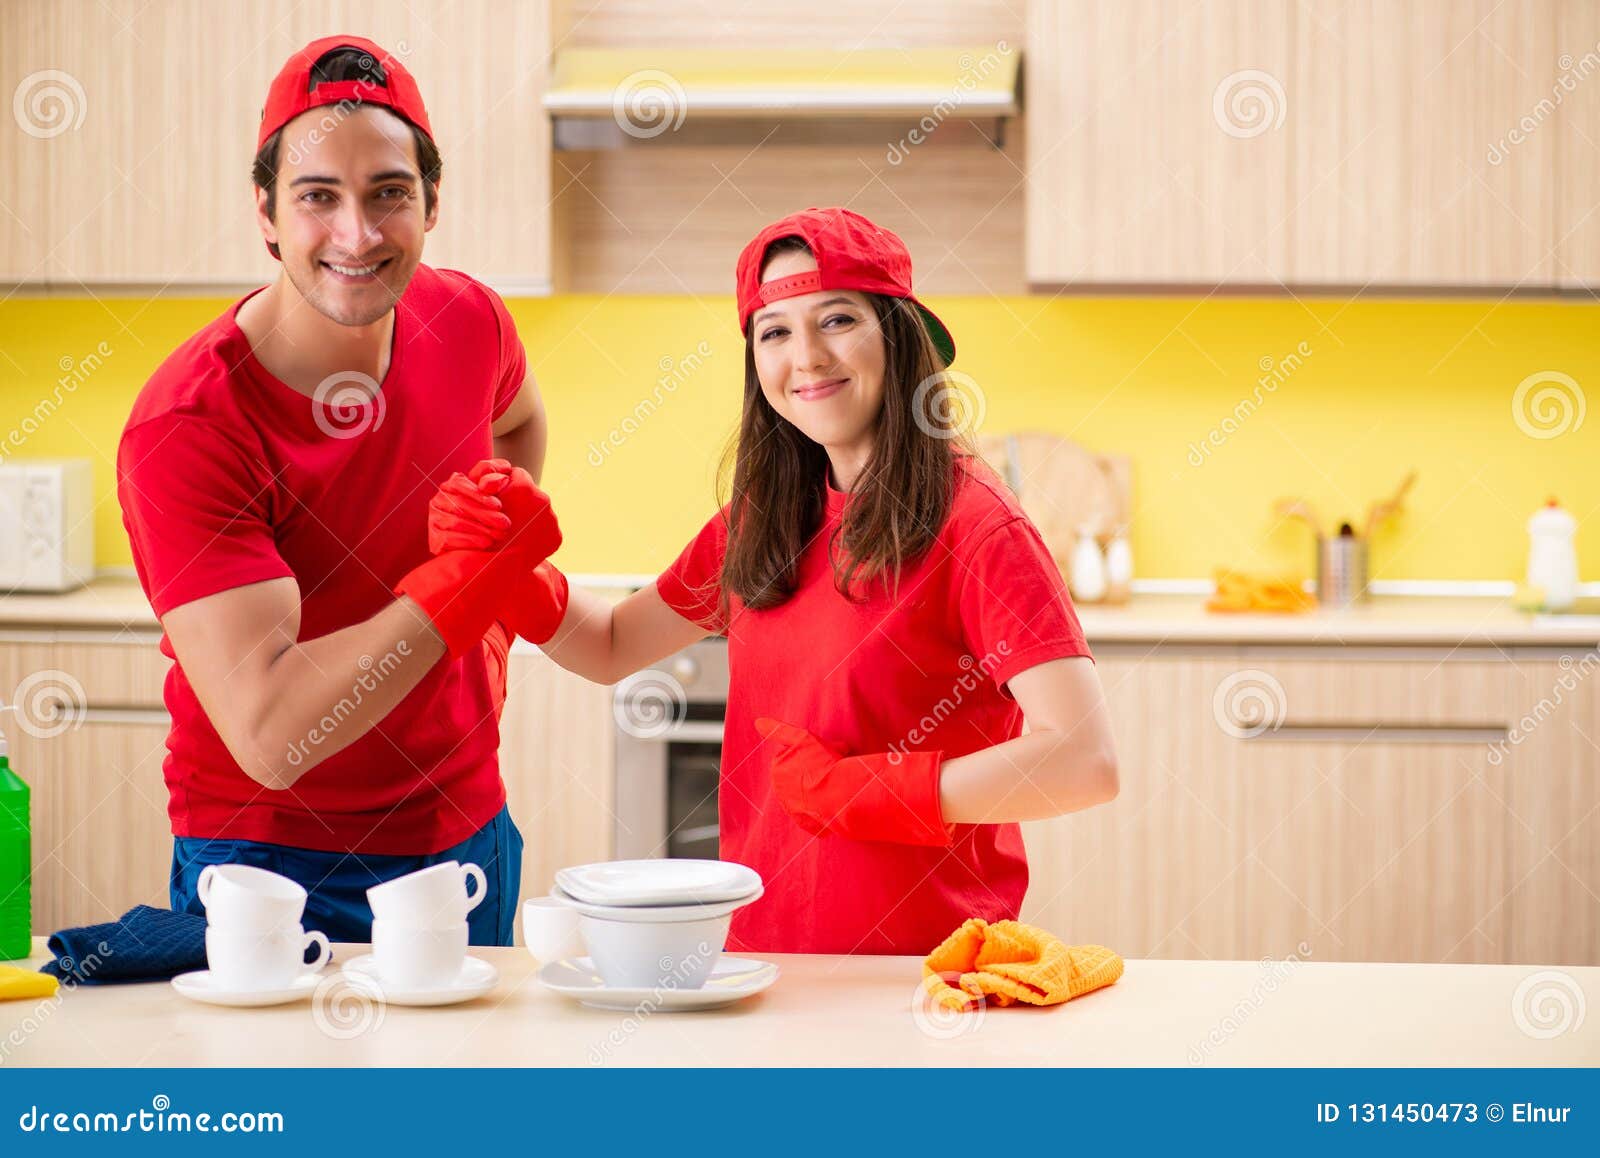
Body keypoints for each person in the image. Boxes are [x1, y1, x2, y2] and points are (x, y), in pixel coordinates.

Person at [429, 207, 1119, 955]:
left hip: (923, 971)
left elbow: (1084, 761)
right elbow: (611, 644)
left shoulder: (978, 525)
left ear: (898, 336)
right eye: (775, 332)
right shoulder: (766, 516)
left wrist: (872, 791)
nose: (808, 357)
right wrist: (509, 569)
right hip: (763, 960)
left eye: (837, 320)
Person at [115, 36, 559, 945]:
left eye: (388, 192)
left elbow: (518, 421)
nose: (357, 235)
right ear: (267, 214)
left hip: (463, 829)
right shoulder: (191, 425)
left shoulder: (469, 319)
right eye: (318, 196)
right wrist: (459, 593)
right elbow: (271, 735)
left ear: (432, 202)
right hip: (269, 861)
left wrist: (488, 594)